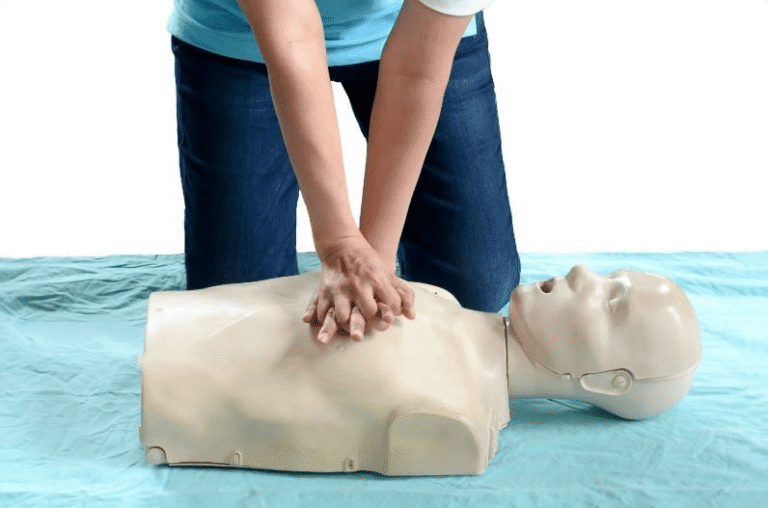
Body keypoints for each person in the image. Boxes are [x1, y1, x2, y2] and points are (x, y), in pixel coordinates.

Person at [168, 0, 521, 342]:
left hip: (414, 25)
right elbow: (293, 37)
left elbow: (416, 70)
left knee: (478, 292)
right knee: (235, 314)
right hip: (242, 35)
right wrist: (339, 244)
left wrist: (374, 265)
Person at [140, 265, 702, 475]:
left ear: (607, 381)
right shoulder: (445, 301)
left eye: (611, 304)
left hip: (171, 393)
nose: (582, 272)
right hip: (179, 324)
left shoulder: (456, 420)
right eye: (608, 277)